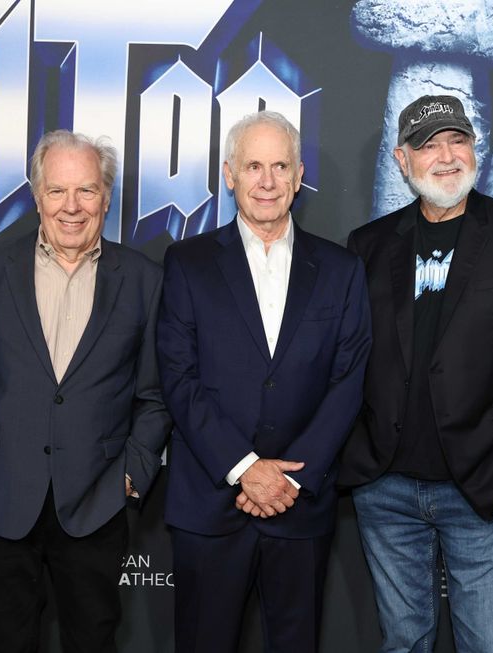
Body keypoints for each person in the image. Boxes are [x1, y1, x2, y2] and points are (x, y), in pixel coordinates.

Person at [341, 95, 493, 652]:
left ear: (474, 149)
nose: (445, 156)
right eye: (427, 145)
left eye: (457, 140)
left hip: (478, 481)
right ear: (402, 160)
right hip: (385, 484)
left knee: (489, 643)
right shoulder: (368, 246)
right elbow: (344, 362)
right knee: (403, 642)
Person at [157, 110, 372, 653]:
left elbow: (348, 380)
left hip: (300, 506)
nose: (268, 181)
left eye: (281, 166)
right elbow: (179, 378)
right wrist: (245, 468)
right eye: (254, 166)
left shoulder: (341, 269)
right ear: (229, 174)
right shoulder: (188, 263)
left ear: (300, 175)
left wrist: (290, 480)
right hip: (210, 502)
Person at [0, 130, 171, 653]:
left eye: (87, 190)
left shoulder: (145, 280)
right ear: (37, 197)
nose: (72, 207)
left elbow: (156, 394)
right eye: (57, 191)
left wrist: (131, 474)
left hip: (97, 501)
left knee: (93, 642)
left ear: (106, 196)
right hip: (3, 501)